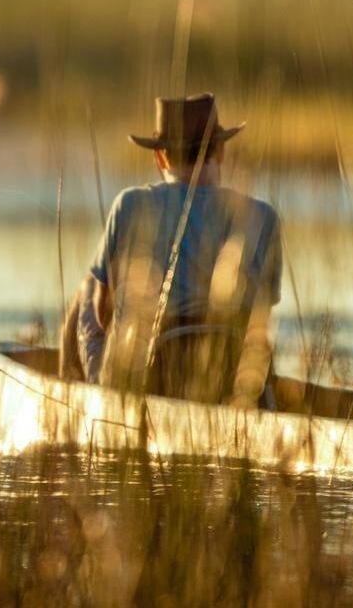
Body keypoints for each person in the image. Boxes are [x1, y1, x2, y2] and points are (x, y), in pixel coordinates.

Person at [66, 93, 282, 407]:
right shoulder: (263, 217)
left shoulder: (129, 204)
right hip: (233, 382)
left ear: (160, 158)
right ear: (219, 152)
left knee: (88, 291)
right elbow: (261, 321)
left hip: (151, 380)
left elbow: (103, 315)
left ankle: (92, 402)